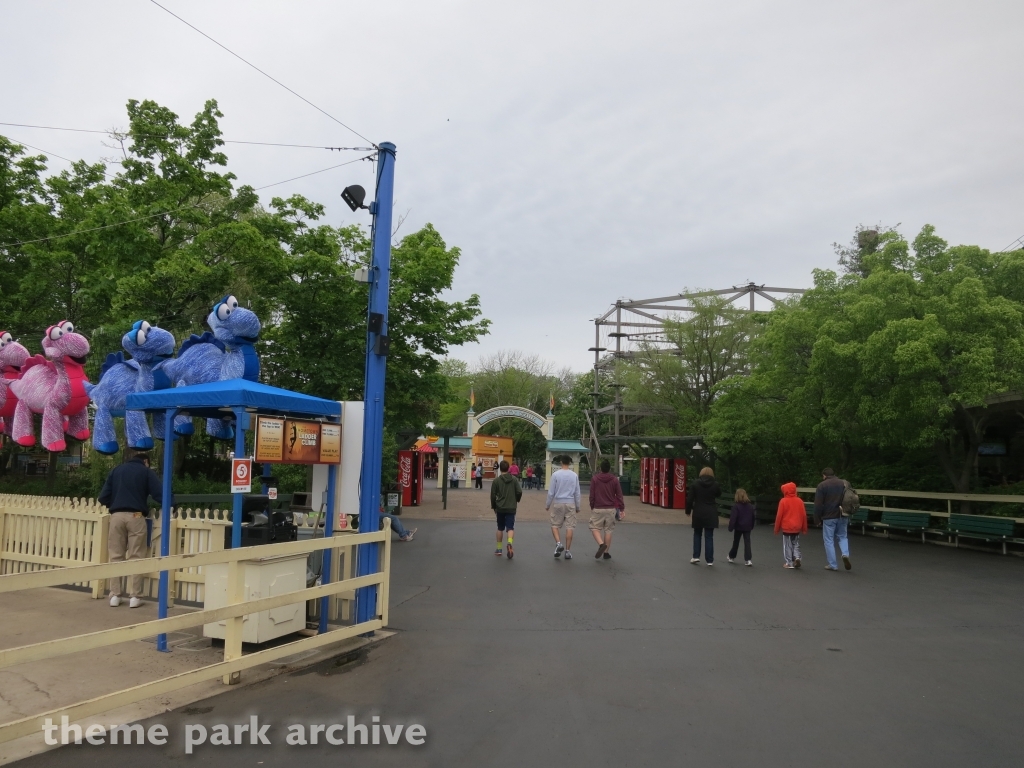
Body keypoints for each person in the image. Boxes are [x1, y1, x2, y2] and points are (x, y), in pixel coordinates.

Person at [98, 450, 163, 608]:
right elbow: (159, 493)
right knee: (136, 555)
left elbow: (103, 497)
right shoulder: (145, 472)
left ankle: (115, 595)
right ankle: (135, 596)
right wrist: (172, 503)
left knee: (116, 556)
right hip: (136, 515)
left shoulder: (116, 470)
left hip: (116, 516)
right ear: (145, 462)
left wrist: (115, 504)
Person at [815, 467, 851, 571]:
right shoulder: (844, 483)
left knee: (829, 540)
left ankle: (833, 564)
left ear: (824, 475)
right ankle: (845, 554)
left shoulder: (822, 485)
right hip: (843, 514)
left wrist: (817, 519)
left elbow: (818, 504)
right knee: (843, 537)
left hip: (829, 516)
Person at [546, 455, 581, 559]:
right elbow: (577, 492)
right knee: (570, 527)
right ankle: (567, 551)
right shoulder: (574, 475)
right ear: (570, 463)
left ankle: (558, 543)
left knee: (554, 525)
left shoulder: (555, 474)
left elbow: (551, 492)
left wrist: (548, 504)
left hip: (558, 503)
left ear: (561, 462)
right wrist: (578, 506)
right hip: (570, 503)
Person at [589, 459, 625, 559]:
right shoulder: (614, 480)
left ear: (600, 468)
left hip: (598, 507)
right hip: (611, 508)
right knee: (608, 530)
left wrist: (592, 505)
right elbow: (619, 495)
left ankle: (601, 544)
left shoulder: (595, 479)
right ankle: (606, 553)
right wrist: (621, 508)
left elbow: (592, 495)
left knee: (594, 528)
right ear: (609, 469)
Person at [685, 466, 720, 565]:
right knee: (709, 536)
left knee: (697, 534)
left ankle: (696, 556)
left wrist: (688, 510)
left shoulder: (695, 483)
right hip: (711, 512)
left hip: (698, 512)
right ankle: (709, 560)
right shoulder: (715, 484)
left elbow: (690, 499)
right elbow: (718, 494)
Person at [490, 460, 522, 558]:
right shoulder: (514, 480)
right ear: (508, 468)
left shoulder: (496, 481)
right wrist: (516, 499)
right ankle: (509, 543)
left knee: (500, 528)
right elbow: (519, 491)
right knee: (510, 527)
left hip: (500, 507)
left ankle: (499, 549)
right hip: (511, 507)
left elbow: (493, 495)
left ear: (500, 468)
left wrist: (494, 506)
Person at [774, 482, 807, 568]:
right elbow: (803, 515)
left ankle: (789, 563)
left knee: (787, 545)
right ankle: (797, 557)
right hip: (797, 527)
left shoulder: (783, 501)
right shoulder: (800, 501)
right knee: (795, 543)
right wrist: (804, 528)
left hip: (787, 527)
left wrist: (776, 528)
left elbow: (779, 516)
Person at [727, 488, 755, 566]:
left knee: (736, 542)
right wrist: (752, 525)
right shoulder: (750, 506)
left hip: (738, 527)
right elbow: (753, 516)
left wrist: (730, 527)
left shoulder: (736, 506)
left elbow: (733, 518)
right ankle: (748, 559)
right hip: (747, 526)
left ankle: (732, 556)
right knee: (747, 542)